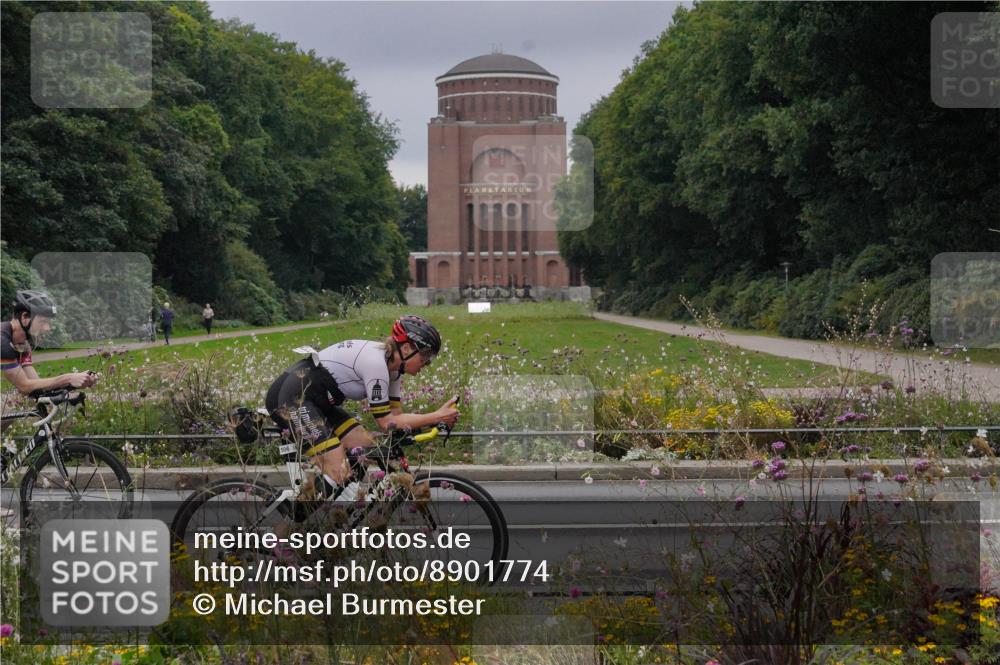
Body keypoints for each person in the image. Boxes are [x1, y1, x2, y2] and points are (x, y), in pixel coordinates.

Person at [264, 315, 459, 496]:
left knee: (365, 450)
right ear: (406, 349)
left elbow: (396, 417)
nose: (427, 363)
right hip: (292, 398)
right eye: (426, 356)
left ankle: (338, 513)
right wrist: (437, 416)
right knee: (339, 471)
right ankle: (294, 522)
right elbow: (386, 423)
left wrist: (429, 423)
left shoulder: (394, 371)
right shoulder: (376, 365)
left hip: (318, 402)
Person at [2, 290, 98, 396]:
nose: (47, 328)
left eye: (48, 323)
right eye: (43, 321)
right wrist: (68, 378)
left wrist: (73, 383)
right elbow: (24, 386)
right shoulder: (2, 341)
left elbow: (36, 389)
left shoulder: (22, 345)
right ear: (24, 317)